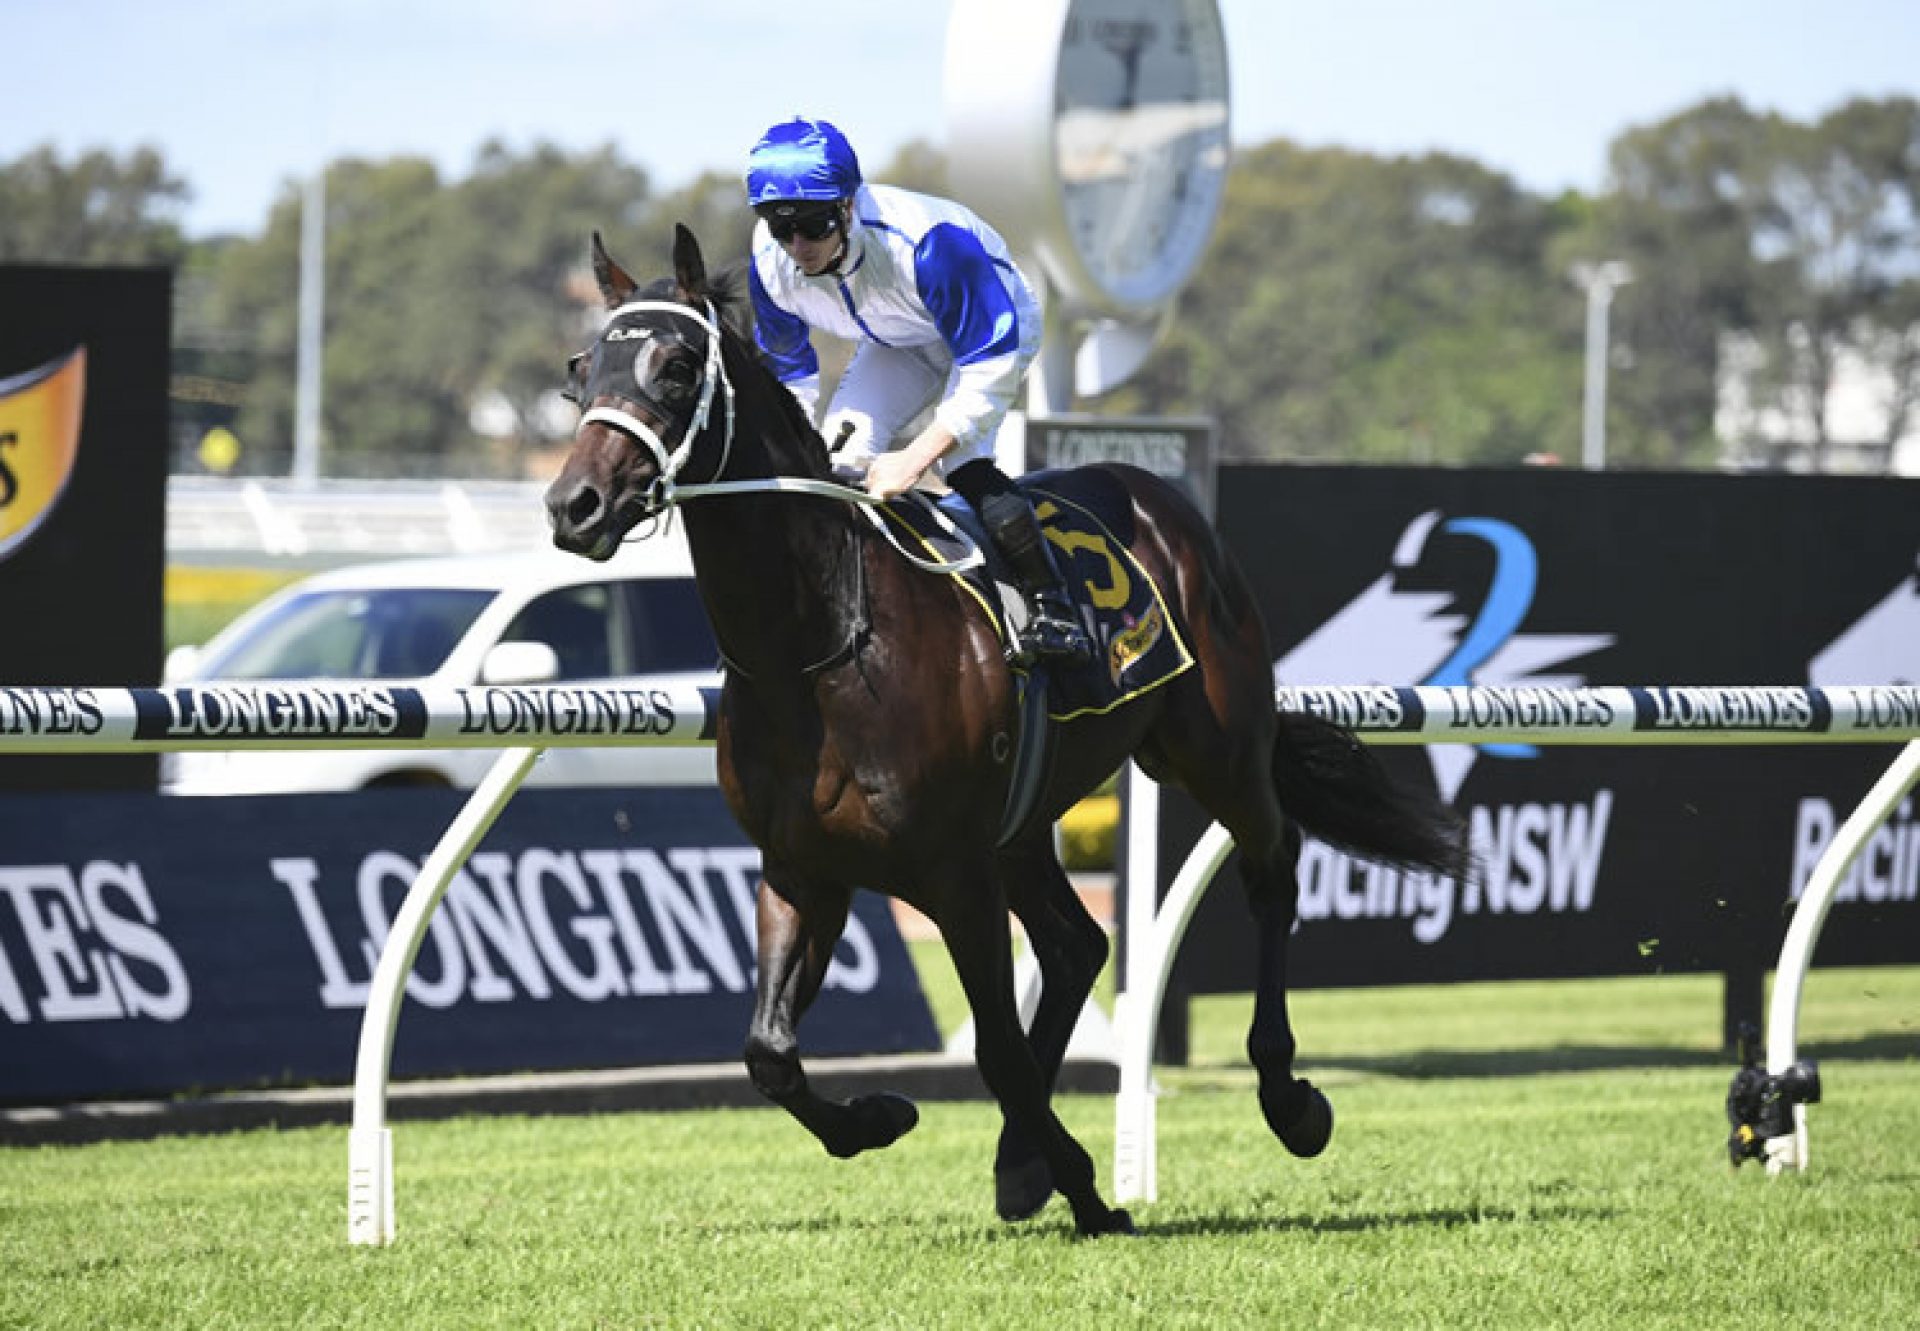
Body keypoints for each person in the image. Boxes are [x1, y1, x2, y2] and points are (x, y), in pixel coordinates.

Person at [743, 116, 1093, 668]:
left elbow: (989, 363)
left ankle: (1055, 608)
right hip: (898, 338)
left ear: (848, 207)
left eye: (812, 225)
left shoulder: (931, 244)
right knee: (834, 462)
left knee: (962, 462)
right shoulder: (770, 261)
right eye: (781, 229)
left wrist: (915, 457)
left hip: (990, 334)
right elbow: (791, 375)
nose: (798, 247)